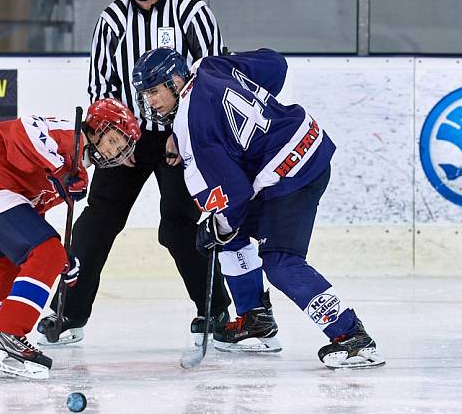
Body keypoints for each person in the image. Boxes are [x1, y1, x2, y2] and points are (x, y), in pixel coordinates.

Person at [131, 47, 385, 369]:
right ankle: (255, 319)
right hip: (304, 142)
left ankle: (352, 337)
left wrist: (219, 228)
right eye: (146, 95)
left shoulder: (191, 123)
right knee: (229, 234)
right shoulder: (209, 66)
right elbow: (275, 65)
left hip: (291, 173)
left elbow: (233, 194)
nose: (151, 102)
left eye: (154, 91)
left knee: (278, 260)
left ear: (176, 80)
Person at [39, 0, 231, 346]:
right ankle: (68, 313)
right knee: (97, 221)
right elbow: (101, 89)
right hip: (128, 137)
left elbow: (211, 78)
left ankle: (215, 311)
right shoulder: (111, 20)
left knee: (178, 227)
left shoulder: (191, 13)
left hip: (180, 136)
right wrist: (111, 144)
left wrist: (183, 134)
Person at [0, 99, 141, 379]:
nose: (113, 151)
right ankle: (11, 334)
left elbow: (30, 210)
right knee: (47, 254)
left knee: (7, 266)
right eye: (112, 140)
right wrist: (61, 171)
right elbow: (26, 128)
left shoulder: (78, 170)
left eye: (120, 148)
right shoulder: (70, 136)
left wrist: (61, 256)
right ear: (96, 128)